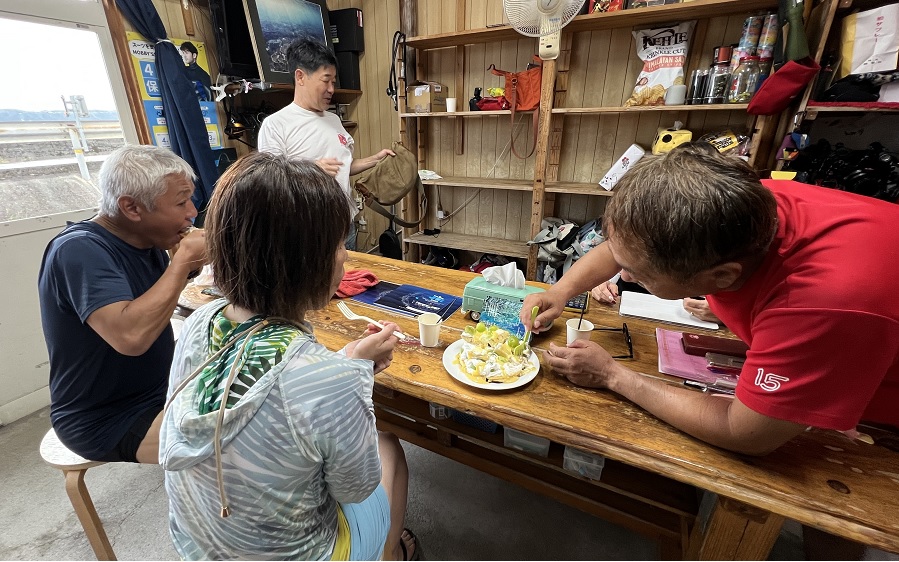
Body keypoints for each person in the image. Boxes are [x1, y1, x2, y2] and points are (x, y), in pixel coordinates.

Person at [521, 142, 899, 458]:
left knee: (836, 489)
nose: (625, 275)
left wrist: (613, 375)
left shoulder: (817, 301)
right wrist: (558, 292)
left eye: (640, 273)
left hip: (882, 396)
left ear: (720, 278)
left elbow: (746, 434)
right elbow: (623, 249)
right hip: (856, 333)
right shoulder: (739, 204)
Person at [160, 153, 419, 561]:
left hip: (199, 546)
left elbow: (274, 379)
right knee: (389, 449)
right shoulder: (330, 381)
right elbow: (354, 488)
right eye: (337, 245)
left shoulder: (201, 321)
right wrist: (351, 378)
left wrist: (348, 360)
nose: (346, 257)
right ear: (306, 263)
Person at [38, 144, 207, 463]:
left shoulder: (147, 240)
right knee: (238, 444)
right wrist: (181, 263)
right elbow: (131, 338)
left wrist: (186, 263)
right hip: (106, 418)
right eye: (181, 201)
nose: (192, 212)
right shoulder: (79, 251)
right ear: (131, 208)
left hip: (162, 386)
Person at [256, 38, 395, 251]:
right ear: (300, 77)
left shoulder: (334, 120)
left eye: (334, 81)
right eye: (326, 80)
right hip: (307, 230)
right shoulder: (276, 124)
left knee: (349, 283)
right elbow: (270, 182)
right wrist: (310, 170)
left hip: (344, 225)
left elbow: (341, 166)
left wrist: (374, 160)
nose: (332, 89)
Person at [592, 275, 721, 324]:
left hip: (696, 322)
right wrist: (605, 282)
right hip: (627, 312)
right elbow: (617, 269)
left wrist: (723, 312)